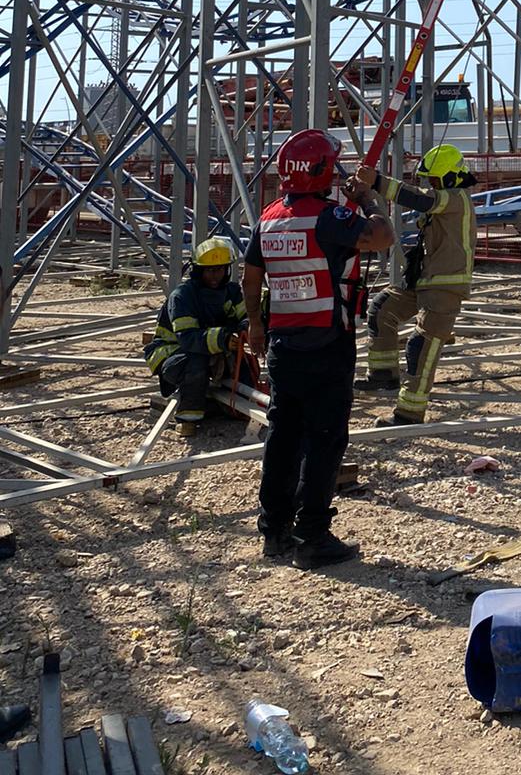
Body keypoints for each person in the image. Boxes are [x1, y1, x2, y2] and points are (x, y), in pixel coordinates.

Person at [242, 127, 394, 568]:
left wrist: (256, 324)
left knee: (283, 437)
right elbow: (381, 236)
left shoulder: (269, 219)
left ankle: (274, 530)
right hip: (327, 343)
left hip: (283, 344)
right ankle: (312, 536)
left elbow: (251, 278)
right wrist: (367, 199)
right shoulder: (328, 218)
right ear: (322, 171)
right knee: (325, 439)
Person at [349, 144, 477, 426]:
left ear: (451, 178)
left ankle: (409, 412)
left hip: (445, 287)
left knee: (422, 345)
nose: (431, 186)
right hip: (424, 281)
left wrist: (377, 181)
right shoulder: (445, 200)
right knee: (383, 308)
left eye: (434, 181)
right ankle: (383, 374)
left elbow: (420, 199)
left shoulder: (456, 199)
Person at [143, 237, 248, 436]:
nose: (216, 275)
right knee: (196, 364)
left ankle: (231, 407)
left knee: (243, 366)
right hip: (175, 354)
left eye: (220, 269)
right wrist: (223, 339)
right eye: (210, 270)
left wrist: (246, 328)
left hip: (211, 349)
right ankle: (188, 418)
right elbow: (188, 338)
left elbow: (245, 315)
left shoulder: (231, 292)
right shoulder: (183, 296)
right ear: (199, 270)